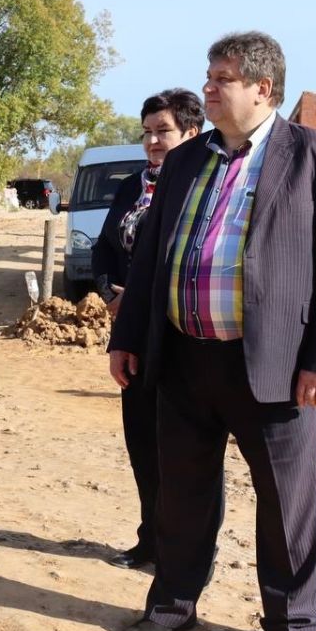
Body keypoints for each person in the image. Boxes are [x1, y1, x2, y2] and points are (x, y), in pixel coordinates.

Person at [108, 32, 316, 631]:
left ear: (263, 89)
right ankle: (172, 604)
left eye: (222, 78)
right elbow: (150, 259)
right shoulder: (187, 161)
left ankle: (295, 627)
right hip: (185, 359)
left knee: (287, 504)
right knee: (181, 495)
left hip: (276, 367)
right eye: (209, 75)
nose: (210, 87)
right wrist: (125, 337)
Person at [92, 88, 203, 569]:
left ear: (192, 134)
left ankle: (189, 550)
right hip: (134, 333)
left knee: (182, 449)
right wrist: (112, 295)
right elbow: (102, 250)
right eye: (148, 133)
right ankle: (151, 541)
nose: (154, 142)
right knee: (141, 439)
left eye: (164, 132)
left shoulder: (203, 187)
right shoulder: (131, 186)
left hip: (183, 337)